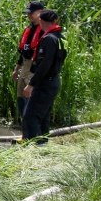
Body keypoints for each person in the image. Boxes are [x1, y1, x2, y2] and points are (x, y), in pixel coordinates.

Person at [21, 9, 65, 143]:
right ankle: (43, 145)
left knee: (30, 116)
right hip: (52, 81)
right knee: (43, 116)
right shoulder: (59, 37)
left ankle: (35, 148)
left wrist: (31, 84)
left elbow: (44, 65)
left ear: (41, 21)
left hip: (45, 82)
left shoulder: (49, 39)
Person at [12, 0, 46, 121]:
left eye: (32, 12)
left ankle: (32, 131)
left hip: (35, 67)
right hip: (25, 66)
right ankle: (25, 127)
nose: (29, 15)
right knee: (21, 97)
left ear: (40, 12)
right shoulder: (29, 29)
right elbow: (22, 52)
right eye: (28, 13)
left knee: (31, 97)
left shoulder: (44, 30)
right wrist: (16, 69)